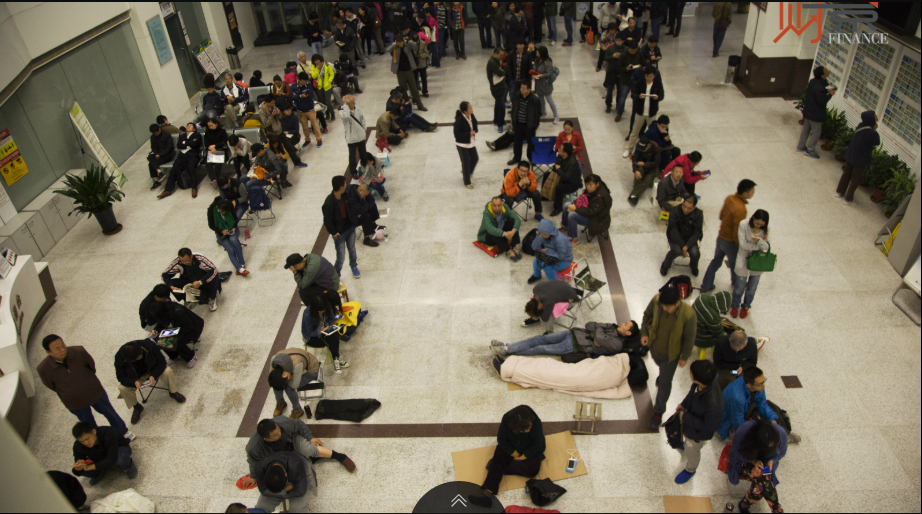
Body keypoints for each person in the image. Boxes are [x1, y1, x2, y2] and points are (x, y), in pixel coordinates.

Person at [38, 336, 134, 442]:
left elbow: (91, 367)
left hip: (94, 392)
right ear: (49, 352)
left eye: (63, 345)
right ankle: (99, 442)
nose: (62, 349)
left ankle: (122, 432)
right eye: (57, 348)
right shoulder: (43, 368)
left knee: (109, 412)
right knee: (87, 423)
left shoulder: (79, 352)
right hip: (75, 402)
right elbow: (51, 385)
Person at [244, 417, 355, 494]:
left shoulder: (283, 423)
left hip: (292, 441)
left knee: (308, 449)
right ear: (266, 439)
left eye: (278, 429)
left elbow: (300, 425)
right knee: (300, 468)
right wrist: (253, 476)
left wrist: (310, 437)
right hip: (279, 457)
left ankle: (340, 456)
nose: (279, 433)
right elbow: (253, 460)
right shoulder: (254, 447)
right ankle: (312, 459)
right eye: (275, 434)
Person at [640, 287, 696, 429]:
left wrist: (684, 356)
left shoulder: (688, 314)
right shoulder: (657, 301)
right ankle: (662, 374)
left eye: (667, 307)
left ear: (677, 303)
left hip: (671, 355)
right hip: (654, 348)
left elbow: (690, 338)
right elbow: (647, 315)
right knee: (661, 368)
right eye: (663, 306)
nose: (664, 309)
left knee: (665, 383)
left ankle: (658, 411)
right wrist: (644, 333)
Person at [469, 405, 545, 506]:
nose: (528, 430)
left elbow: (537, 444)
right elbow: (502, 439)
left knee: (533, 470)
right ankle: (486, 495)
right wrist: (514, 453)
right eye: (526, 429)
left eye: (529, 427)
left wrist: (524, 456)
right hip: (511, 445)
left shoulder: (536, 422)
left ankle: (496, 467)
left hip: (529, 448)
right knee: (498, 460)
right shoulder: (507, 419)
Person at [700, 179, 756, 293]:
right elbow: (737, 231)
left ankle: (706, 285)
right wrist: (740, 245)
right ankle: (736, 282)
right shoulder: (741, 209)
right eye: (752, 191)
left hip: (721, 238)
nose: (753, 192)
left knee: (716, 261)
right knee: (736, 264)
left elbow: (721, 216)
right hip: (731, 242)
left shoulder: (730, 198)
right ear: (745, 193)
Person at [673, 359, 724, 484]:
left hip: (698, 435)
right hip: (690, 424)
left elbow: (709, 427)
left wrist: (684, 416)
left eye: (690, 372)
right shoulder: (703, 383)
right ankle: (685, 444)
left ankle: (690, 469)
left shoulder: (713, 405)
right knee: (687, 442)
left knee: (692, 451)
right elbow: (692, 395)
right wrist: (684, 405)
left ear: (695, 378)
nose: (689, 372)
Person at [113, 339, 186, 424]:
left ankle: (173, 392)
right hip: (136, 377)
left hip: (152, 370)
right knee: (123, 388)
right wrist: (133, 382)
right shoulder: (120, 358)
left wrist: (154, 375)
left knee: (167, 371)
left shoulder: (149, 345)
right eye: (137, 358)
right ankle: (136, 407)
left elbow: (162, 362)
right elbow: (120, 377)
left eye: (140, 355)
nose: (140, 357)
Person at [727, 420, 787, 514]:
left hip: (766, 463)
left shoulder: (781, 434)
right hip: (746, 459)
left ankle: (744, 504)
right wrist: (753, 461)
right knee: (764, 480)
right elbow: (736, 452)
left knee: (762, 483)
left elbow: (782, 453)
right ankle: (776, 509)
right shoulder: (743, 431)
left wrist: (771, 461)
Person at [493, 320, 638, 357]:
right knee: (539, 339)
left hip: (573, 346)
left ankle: (507, 352)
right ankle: (508, 346)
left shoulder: (617, 344)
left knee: (539, 348)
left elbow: (599, 334)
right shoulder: (612, 327)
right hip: (572, 333)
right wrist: (598, 333)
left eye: (626, 325)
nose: (623, 323)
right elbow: (590, 324)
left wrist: (598, 332)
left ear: (629, 333)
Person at [71, 422, 138, 486]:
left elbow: (112, 459)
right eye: (82, 441)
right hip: (99, 457)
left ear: (94, 431)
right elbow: (78, 469)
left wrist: (89, 467)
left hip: (116, 450)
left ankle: (128, 467)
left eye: (87, 439)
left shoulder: (108, 432)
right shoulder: (78, 445)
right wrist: (77, 468)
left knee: (121, 457)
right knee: (83, 468)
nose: (86, 443)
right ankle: (99, 472)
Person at [731, 210, 770, 319]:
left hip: (758, 262)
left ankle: (746, 306)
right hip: (743, 260)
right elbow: (743, 244)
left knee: (752, 288)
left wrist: (759, 241)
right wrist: (759, 245)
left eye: (762, 225)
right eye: (757, 223)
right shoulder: (743, 224)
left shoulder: (766, 228)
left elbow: (767, 247)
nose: (759, 226)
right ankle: (734, 305)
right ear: (753, 218)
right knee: (739, 287)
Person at [837, 110, 879, 204]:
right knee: (855, 178)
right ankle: (848, 198)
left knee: (846, 173)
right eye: (875, 116)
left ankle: (839, 191)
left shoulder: (860, 126)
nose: (876, 118)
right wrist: (874, 130)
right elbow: (877, 142)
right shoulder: (870, 133)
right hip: (860, 159)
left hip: (851, 154)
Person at [302, 294, 351, 373]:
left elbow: (331, 318)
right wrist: (320, 331)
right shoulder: (307, 314)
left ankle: (336, 358)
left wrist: (327, 326)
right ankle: (336, 359)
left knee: (332, 335)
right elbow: (309, 333)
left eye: (323, 310)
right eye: (320, 311)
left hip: (323, 331)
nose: (322, 312)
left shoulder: (326, 306)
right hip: (311, 338)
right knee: (331, 338)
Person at [323, 176, 360, 278]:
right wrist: (334, 233)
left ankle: (354, 266)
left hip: (350, 228)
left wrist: (354, 219)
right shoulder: (329, 203)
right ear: (341, 187)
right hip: (339, 233)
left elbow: (350, 208)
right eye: (345, 184)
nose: (346, 185)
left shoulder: (345, 196)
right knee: (341, 257)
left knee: (352, 249)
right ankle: (336, 274)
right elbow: (327, 221)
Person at [268, 348, 321, 419]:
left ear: (284, 374)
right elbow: (273, 376)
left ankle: (297, 410)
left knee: (289, 388)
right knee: (276, 383)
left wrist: (290, 378)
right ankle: (280, 402)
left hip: (310, 370)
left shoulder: (297, 365)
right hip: (294, 368)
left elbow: (294, 385)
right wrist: (289, 377)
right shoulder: (274, 360)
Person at [623, 66, 664, 156]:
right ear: (645, 75)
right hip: (640, 112)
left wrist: (657, 97)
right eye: (648, 76)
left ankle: (653, 151)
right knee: (634, 132)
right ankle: (628, 149)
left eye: (652, 76)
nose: (650, 78)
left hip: (651, 113)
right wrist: (639, 96)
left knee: (653, 133)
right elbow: (633, 95)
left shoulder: (657, 83)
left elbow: (662, 95)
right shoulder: (639, 82)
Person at [797, 66, 837, 159]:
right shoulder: (818, 86)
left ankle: (801, 146)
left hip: (809, 110)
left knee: (806, 129)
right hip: (816, 113)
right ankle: (810, 150)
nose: (828, 70)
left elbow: (819, 91)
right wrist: (830, 95)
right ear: (822, 75)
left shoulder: (813, 82)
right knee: (816, 132)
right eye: (826, 70)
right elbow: (821, 101)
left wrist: (827, 90)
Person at [259, 96, 308, 169]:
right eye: (272, 103)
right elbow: (266, 123)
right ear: (267, 102)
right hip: (272, 134)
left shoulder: (273, 106)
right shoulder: (262, 111)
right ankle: (277, 168)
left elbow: (279, 117)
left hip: (279, 131)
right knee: (275, 151)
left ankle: (297, 162)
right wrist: (272, 115)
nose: (273, 104)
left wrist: (278, 113)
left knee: (289, 147)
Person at [149, 299, 202, 367]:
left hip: (193, 328)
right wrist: (155, 330)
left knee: (176, 341)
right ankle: (173, 355)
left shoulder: (179, 312)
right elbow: (161, 322)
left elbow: (188, 326)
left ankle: (191, 356)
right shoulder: (165, 311)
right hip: (178, 328)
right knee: (158, 338)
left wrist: (173, 335)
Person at [157, 123, 202, 199]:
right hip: (181, 155)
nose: (188, 126)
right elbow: (179, 145)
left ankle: (194, 188)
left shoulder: (197, 135)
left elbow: (195, 144)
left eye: (190, 126)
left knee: (191, 169)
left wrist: (184, 142)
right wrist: (189, 142)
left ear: (194, 129)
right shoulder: (182, 135)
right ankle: (167, 190)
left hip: (192, 155)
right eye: (187, 125)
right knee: (173, 170)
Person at [562, 174, 612, 244]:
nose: (588, 187)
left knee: (572, 215)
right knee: (567, 205)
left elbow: (591, 212)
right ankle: (566, 227)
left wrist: (575, 209)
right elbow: (582, 197)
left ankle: (573, 238)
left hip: (597, 220)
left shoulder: (601, 198)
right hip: (589, 209)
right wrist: (573, 204)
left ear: (597, 184)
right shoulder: (593, 189)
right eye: (587, 184)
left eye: (590, 185)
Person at [662, 195, 703, 276]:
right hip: (676, 238)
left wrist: (686, 246)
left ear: (694, 208)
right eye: (684, 206)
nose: (685, 209)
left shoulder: (699, 214)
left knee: (695, 253)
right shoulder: (675, 211)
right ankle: (665, 265)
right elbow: (673, 231)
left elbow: (697, 232)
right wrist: (683, 246)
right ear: (682, 203)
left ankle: (693, 266)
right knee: (676, 251)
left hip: (690, 238)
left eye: (689, 208)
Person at [208, 198, 248, 276]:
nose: (223, 213)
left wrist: (234, 227)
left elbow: (235, 218)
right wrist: (221, 231)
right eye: (222, 211)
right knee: (230, 249)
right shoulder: (211, 210)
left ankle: (242, 263)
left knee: (234, 241)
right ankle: (239, 268)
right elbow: (211, 225)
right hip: (221, 232)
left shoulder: (229, 205)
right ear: (217, 208)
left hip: (232, 228)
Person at [388, 35, 428, 112]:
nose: (400, 45)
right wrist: (394, 44)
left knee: (414, 88)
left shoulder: (407, 46)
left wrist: (407, 41)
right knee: (403, 90)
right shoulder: (395, 47)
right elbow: (388, 50)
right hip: (400, 72)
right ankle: (406, 105)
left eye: (401, 43)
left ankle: (420, 105)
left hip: (409, 70)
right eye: (399, 43)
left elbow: (415, 45)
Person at [528, 219, 574, 284]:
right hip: (549, 256)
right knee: (536, 261)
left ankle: (554, 284)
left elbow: (561, 256)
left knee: (547, 266)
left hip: (565, 260)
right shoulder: (542, 235)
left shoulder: (560, 239)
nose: (543, 236)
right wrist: (539, 238)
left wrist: (547, 251)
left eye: (545, 234)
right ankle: (536, 275)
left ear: (550, 232)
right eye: (541, 234)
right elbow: (533, 247)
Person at [478, 196, 523, 261]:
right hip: (489, 236)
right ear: (491, 205)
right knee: (494, 232)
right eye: (494, 206)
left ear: (502, 204)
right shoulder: (487, 213)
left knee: (512, 221)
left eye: (499, 205)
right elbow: (490, 229)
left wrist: (512, 232)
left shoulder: (505, 208)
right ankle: (507, 250)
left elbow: (517, 219)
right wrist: (505, 234)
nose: (497, 208)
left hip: (501, 230)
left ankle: (513, 246)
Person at [290, 72, 323, 149]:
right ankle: (307, 139)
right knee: (304, 127)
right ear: (299, 79)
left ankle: (319, 139)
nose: (305, 82)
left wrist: (297, 96)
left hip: (310, 109)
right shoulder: (294, 86)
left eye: (306, 81)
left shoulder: (308, 85)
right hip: (300, 111)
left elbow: (309, 96)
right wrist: (301, 95)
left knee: (315, 125)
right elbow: (291, 97)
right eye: (303, 81)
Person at [549, 142, 582, 217]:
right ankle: (545, 195)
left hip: (572, 183)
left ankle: (558, 208)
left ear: (565, 153)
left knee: (559, 187)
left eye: (560, 148)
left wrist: (559, 169)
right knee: (547, 175)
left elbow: (567, 176)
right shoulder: (561, 156)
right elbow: (557, 165)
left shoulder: (572, 163)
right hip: (564, 178)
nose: (558, 149)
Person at [347, 183, 383, 247]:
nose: (364, 197)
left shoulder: (362, 190)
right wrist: (365, 203)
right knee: (365, 216)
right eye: (364, 195)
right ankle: (366, 239)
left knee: (373, 206)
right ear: (360, 191)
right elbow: (360, 210)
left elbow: (372, 200)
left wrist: (363, 207)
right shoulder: (351, 197)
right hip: (350, 217)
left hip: (358, 210)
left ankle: (373, 226)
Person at [627, 136, 660, 206]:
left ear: (649, 146)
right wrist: (636, 170)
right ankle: (636, 193)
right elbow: (634, 158)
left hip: (652, 168)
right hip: (641, 165)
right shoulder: (639, 146)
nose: (641, 150)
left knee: (646, 182)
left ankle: (633, 195)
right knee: (638, 177)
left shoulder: (656, 148)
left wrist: (645, 164)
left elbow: (656, 163)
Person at [454, 101, 480, 189]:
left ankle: (468, 172)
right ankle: (467, 181)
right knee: (466, 161)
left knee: (475, 158)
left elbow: (475, 125)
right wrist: (469, 133)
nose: (471, 108)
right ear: (465, 111)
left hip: (471, 142)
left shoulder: (471, 115)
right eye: (470, 108)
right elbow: (457, 134)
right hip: (462, 144)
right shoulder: (459, 119)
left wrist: (475, 131)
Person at [615, 41, 642, 122]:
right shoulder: (623, 55)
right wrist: (626, 69)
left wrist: (639, 67)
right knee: (622, 97)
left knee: (636, 98)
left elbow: (643, 64)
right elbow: (619, 68)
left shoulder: (640, 54)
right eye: (631, 50)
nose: (633, 52)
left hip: (636, 79)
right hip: (625, 79)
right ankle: (619, 113)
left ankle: (635, 114)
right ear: (628, 48)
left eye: (634, 50)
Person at [311, 54, 343, 121]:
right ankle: (327, 114)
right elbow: (314, 76)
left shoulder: (327, 65)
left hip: (327, 87)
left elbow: (331, 74)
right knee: (323, 103)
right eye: (315, 61)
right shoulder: (314, 67)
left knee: (328, 102)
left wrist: (329, 81)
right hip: (319, 88)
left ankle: (332, 114)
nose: (316, 62)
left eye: (317, 60)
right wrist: (317, 69)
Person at [532, 46, 558, 124]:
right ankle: (543, 112)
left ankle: (556, 116)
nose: (536, 52)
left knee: (549, 100)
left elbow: (549, 73)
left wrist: (540, 75)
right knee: (541, 99)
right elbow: (535, 69)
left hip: (546, 85)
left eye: (538, 51)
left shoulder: (547, 61)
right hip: (538, 84)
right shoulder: (537, 60)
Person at [202, 118, 229, 188]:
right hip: (211, 151)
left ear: (216, 124)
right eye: (209, 126)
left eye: (212, 125)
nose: (210, 127)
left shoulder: (222, 131)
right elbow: (206, 143)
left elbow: (223, 142)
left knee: (217, 164)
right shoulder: (207, 133)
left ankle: (217, 179)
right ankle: (214, 179)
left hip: (220, 150)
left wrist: (215, 146)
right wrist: (211, 148)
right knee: (208, 164)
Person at [147, 123, 174, 189]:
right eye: (154, 133)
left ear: (159, 129)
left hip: (167, 155)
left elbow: (169, 148)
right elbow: (153, 147)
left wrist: (160, 154)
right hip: (159, 155)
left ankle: (156, 181)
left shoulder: (166, 134)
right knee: (150, 157)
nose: (156, 134)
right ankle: (159, 171)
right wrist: (156, 153)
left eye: (156, 132)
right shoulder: (153, 137)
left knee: (151, 164)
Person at [487, 47, 508, 132]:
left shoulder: (496, 60)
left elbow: (501, 69)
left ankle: (496, 120)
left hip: (500, 86)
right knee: (502, 106)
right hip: (496, 88)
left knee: (498, 104)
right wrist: (503, 72)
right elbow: (500, 72)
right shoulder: (492, 62)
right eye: (500, 55)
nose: (501, 57)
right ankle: (500, 123)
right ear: (495, 53)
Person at [603, 34, 625, 113]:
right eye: (617, 40)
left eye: (620, 41)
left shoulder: (625, 49)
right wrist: (613, 56)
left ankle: (618, 105)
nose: (618, 42)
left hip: (621, 72)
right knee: (609, 90)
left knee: (620, 91)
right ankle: (608, 105)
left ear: (623, 41)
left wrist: (621, 57)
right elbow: (605, 58)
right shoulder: (611, 48)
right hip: (611, 72)